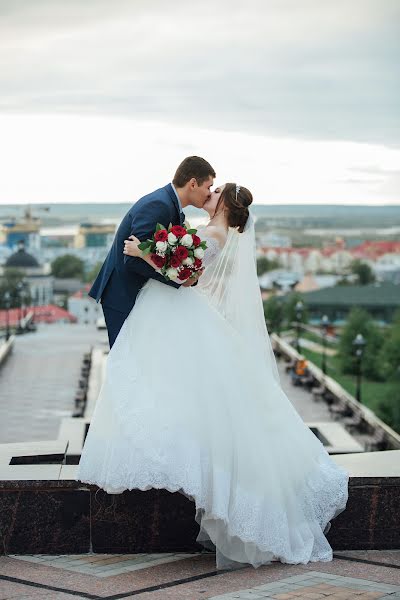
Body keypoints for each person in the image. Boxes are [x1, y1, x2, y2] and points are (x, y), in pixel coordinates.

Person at [76, 182, 349, 570]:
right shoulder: (208, 229)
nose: (210, 192)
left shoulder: (216, 233)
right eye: (210, 185)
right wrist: (160, 254)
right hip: (176, 309)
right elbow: (184, 269)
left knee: (173, 383)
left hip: (178, 307)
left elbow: (186, 272)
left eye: (215, 190)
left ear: (223, 202)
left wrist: (145, 252)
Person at [88, 155, 216, 348]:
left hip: (140, 296)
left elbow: (163, 255)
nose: (209, 193)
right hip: (124, 294)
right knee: (126, 360)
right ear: (192, 183)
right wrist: (178, 280)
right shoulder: (158, 205)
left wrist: (188, 274)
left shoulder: (171, 206)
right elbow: (131, 259)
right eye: (208, 187)